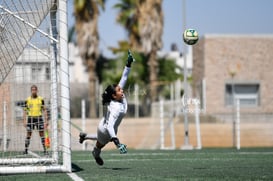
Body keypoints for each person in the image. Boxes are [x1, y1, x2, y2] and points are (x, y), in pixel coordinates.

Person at [79, 50, 135, 166]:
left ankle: (85, 136)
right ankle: (95, 154)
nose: (122, 90)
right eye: (119, 90)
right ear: (114, 96)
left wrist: (128, 64)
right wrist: (117, 141)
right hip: (106, 129)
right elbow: (110, 126)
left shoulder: (117, 96)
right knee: (101, 144)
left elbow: (124, 77)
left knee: (102, 140)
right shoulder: (115, 108)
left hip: (105, 125)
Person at [23, 85, 48, 155]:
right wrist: (24, 120)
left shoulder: (41, 99)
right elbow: (25, 111)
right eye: (32, 90)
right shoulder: (27, 100)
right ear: (31, 91)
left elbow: (44, 110)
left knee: (42, 134)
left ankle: (45, 150)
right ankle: (25, 150)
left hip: (39, 118)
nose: (34, 91)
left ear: (37, 91)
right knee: (28, 134)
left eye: (35, 90)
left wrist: (46, 121)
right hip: (30, 118)